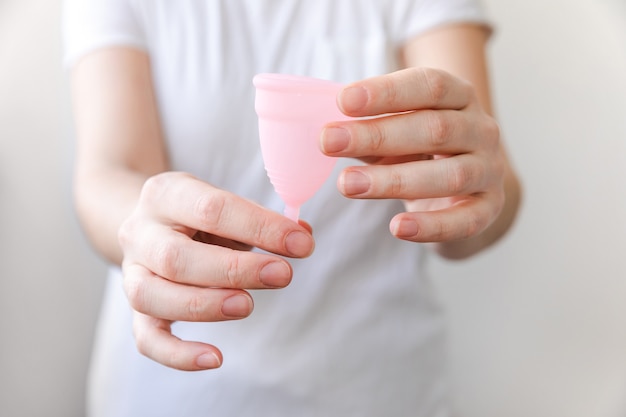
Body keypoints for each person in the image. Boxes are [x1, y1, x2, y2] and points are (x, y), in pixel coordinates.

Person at [63, 0, 521, 415]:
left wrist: (459, 197)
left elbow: (490, 182)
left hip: (379, 390)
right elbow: (109, 171)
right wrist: (142, 229)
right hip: (175, 393)